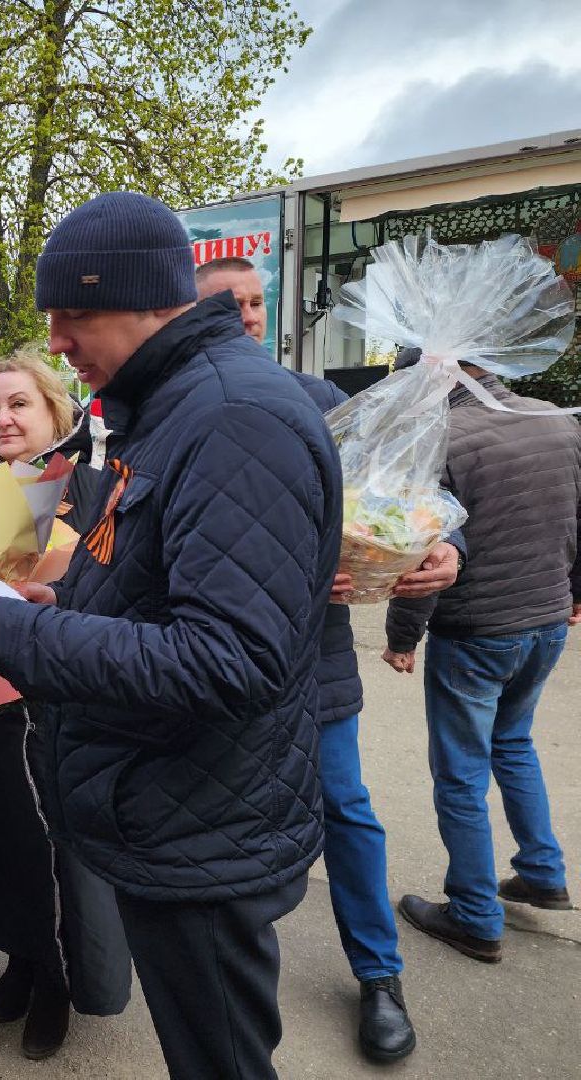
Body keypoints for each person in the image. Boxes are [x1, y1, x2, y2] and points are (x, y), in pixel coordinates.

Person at [0, 192, 343, 1079]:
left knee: (222, 1058)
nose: (58, 338)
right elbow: (148, 591)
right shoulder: (170, 413)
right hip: (175, 807)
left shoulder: (232, 417)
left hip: (204, 819)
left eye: (73, 314)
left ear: (147, 299)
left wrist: (12, 630)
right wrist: (52, 610)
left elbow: (230, 659)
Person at [197, 257, 463, 1063]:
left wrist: (444, 547)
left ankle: (379, 975)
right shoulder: (179, 411)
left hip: (314, 666)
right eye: (225, 304)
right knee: (219, 823)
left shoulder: (320, 404)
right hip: (209, 663)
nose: (243, 315)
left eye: (253, 303)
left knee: (345, 811)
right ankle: (219, 981)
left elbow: (409, 486)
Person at [0, 353, 131, 1061]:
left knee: (55, 852)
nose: (4, 419)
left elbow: (115, 599)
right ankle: (17, 953)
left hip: (60, 707)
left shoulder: (96, 491)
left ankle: (57, 980)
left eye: (19, 404)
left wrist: (49, 611)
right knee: (0, 841)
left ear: (56, 412)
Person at [384, 347, 581, 963]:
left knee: (461, 773)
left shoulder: (441, 440)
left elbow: (425, 549)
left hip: (477, 630)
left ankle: (474, 914)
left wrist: (401, 637)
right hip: (547, 619)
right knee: (514, 743)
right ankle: (543, 874)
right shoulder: (556, 418)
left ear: (432, 374)